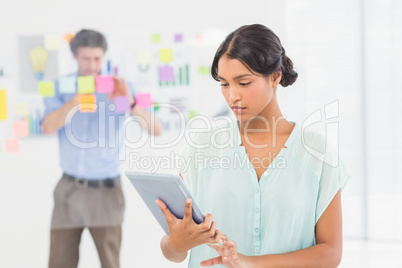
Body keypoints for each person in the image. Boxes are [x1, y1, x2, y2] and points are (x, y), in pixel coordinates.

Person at [156, 24, 351, 267]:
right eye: (225, 84)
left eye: (243, 83)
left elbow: (331, 253)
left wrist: (248, 262)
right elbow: (172, 250)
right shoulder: (202, 147)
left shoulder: (316, 152)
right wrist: (176, 243)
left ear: (275, 77)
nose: (232, 96)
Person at [42, 29, 163, 268]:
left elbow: (156, 128)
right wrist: (73, 102)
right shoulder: (61, 86)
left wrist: (130, 103)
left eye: (97, 58)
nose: (92, 65)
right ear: (75, 55)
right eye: (86, 58)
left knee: (110, 262)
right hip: (68, 190)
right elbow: (47, 126)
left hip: (106, 191)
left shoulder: (124, 86)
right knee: (58, 263)